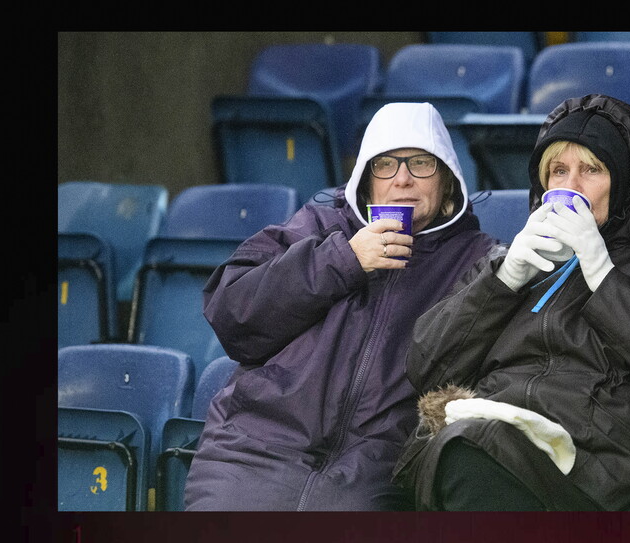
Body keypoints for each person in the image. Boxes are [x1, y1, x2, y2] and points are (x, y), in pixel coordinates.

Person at [391, 94, 630, 511]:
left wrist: (603, 276)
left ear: (625, 182)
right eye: (558, 171)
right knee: (451, 451)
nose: (570, 187)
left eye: (591, 170)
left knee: (466, 451)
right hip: (489, 447)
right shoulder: (511, 261)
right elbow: (425, 368)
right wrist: (504, 280)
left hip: (599, 475)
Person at [183, 102, 496, 511]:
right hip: (255, 450)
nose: (402, 178)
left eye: (421, 163)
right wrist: (343, 260)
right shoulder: (318, 225)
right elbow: (231, 314)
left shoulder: (478, 262)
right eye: (385, 164)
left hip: (372, 474)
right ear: (367, 182)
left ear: (448, 181)